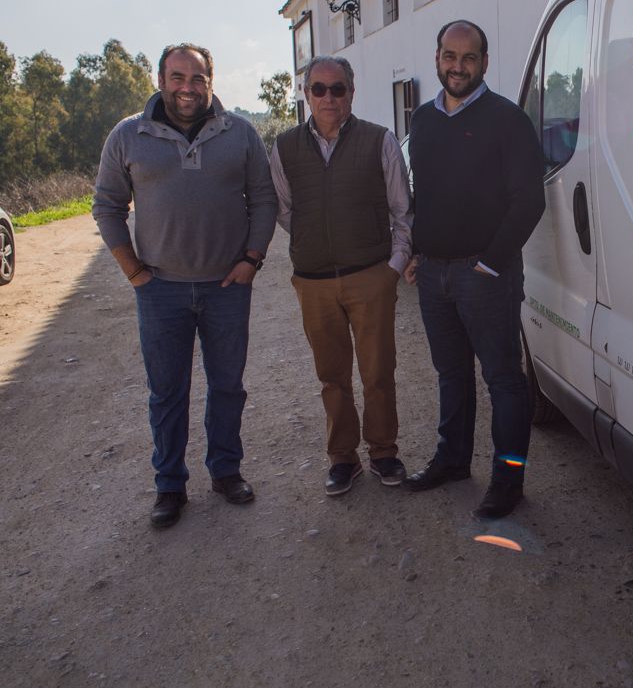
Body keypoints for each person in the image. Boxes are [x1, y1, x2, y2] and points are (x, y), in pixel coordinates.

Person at [93, 43, 277, 529]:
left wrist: (252, 260)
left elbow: (263, 199)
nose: (187, 88)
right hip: (161, 291)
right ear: (160, 81)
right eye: (177, 77)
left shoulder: (240, 133)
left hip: (227, 287)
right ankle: (169, 485)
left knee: (228, 386)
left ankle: (226, 471)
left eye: (197, 78)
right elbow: (107, 206)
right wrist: (134, 272)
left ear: (211, 81)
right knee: (167, 393)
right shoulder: (128, 135)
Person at [402, 20, 545, 519]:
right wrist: (418, 250)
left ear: (484, 62)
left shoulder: (508, 120)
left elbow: (529, 201)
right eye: (449, 55)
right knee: (451, 374)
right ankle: (453, 461)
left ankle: (508, 480)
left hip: (485, 276)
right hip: (434, 275)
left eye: (468, 57)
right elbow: (425, 195)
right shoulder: (423, 120)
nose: (457, 66)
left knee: (504, 380)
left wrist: (491, 262)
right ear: (437, 58)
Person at [269, 56, 413, 497]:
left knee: (378, 372)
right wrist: (314, 241)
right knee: (331, 376)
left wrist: (392, 268)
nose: (328, 97)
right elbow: (284, 210)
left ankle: (383, 451)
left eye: (338, 88)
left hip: (370, 276)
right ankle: (342, 458)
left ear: (352, 92)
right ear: (306, 94)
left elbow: (402, 210)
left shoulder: (379, 140)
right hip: (313, 282)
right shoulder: (284, 148)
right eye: (319, 89)